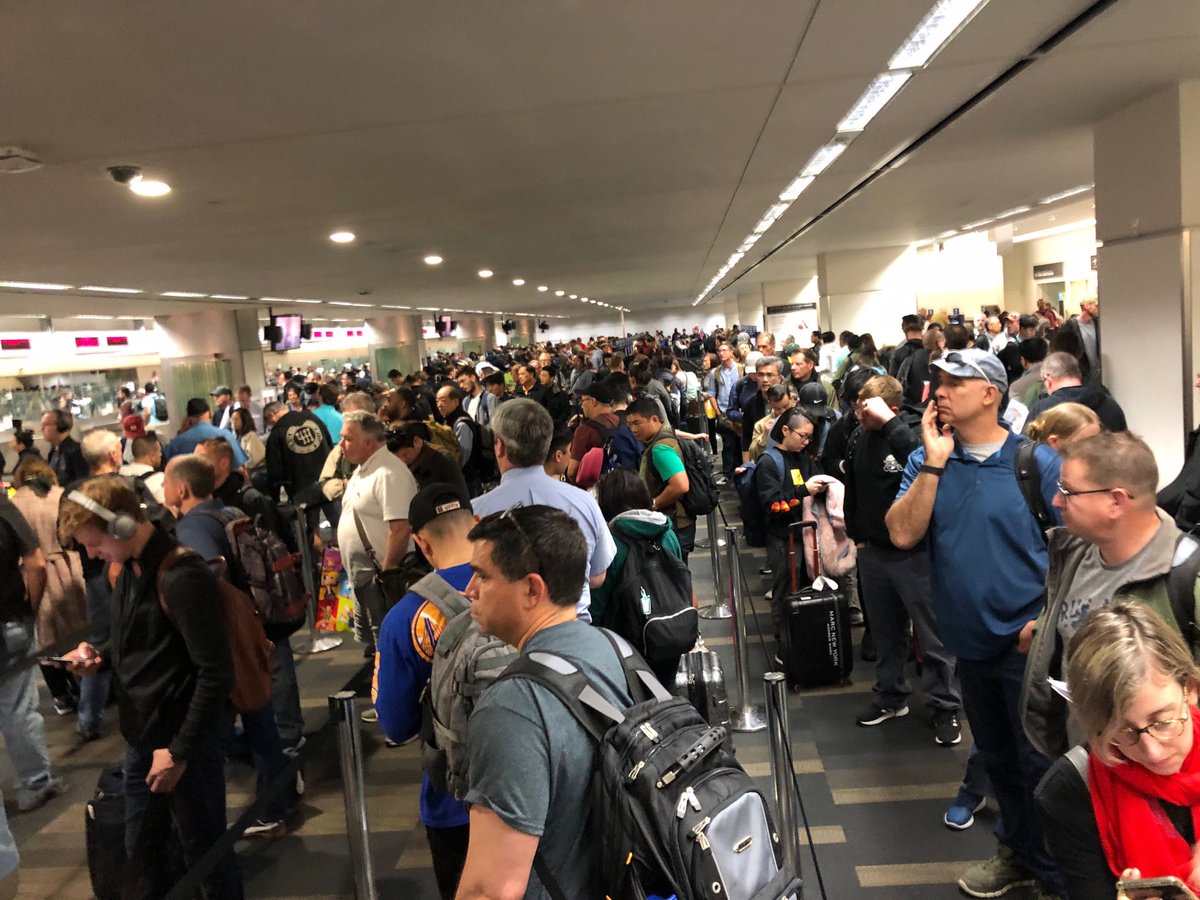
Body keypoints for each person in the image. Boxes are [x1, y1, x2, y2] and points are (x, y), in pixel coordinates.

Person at [885, 347, 1062, 898]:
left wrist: (1047, 622)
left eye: (953, 383)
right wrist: (934, 464)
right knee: (999, 761)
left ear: (990, 393)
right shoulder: (928, 461)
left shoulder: (1036, 463)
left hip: (1027, 646)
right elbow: (901, 533)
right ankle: (1018, 854)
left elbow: (1074, 550)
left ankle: (1055, 872)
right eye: (936, 381)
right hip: (968, 643)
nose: (939, 390)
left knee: (1042, 767)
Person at [60, 479, 243, 898]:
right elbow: (140, 641)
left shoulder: (181, 575)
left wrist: (178, 750)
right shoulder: (130, 570)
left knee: (206, 857)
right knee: (143, 854)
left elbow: (216, 673)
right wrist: (99, 655)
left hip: (184, 744)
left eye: (94, 544)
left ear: (123, 527)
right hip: (144, 738)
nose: (91, 554)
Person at [455, 505, 632, 900]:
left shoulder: (512, 708)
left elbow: (491, 891)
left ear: (532, 589)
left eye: (483, 575)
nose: (470, 590)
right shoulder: (616, 649)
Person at [1022, 431, 1182, 760]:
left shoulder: (1185, 576)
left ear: (1116, 500)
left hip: (1157, 775)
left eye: (1068, 491)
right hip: (1087, 761)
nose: (1056, 501)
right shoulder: (1074, 555)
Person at [161, 454, 297, 838]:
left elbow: (203, 584)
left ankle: (273, 802)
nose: (163, 490)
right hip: (252, 626)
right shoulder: (229, 511)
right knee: (259, 719)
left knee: (222, 729)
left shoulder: (192, 529)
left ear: (182, 488)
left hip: (228, 637)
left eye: (167, 483)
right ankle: (281, 792)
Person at [1037, 602, 1200, 898]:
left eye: (1162, 721)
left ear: (1190, 689)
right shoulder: (1070, 790)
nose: (1153, 752)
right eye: (1123, 732)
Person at [842, 376, 961, 745]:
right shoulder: (860, 435)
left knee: (933, 635)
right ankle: (891, 696)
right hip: (873, 551)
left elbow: (927, 465)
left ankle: (946, 706)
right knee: (886, 632)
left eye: (868, 407)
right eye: (859, 405)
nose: (860, 412)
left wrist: (891, 424)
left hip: (916, 554)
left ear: (892, 409)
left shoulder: (911, 433)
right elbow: (855, 489)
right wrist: (856, 536)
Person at [372, 483, 474, 899]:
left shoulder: (404, 617)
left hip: (454, 800)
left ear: (420, 544)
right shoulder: (530, 586)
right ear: (478, 525)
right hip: (541, 785)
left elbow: (395, 725)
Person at [471, 398, 615, 624]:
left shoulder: (475, 513)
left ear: (499, 446)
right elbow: (598, 576)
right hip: (575, 631)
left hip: (500, 643)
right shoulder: (584, 502)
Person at [0, 477, 67, 815]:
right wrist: (29, 609)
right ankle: (34, 783)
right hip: (7, 619)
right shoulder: (2, 507)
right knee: (16, 707)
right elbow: (36, 562)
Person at [10, 458, 87, 720]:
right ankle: (86, 688)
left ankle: (61, 695)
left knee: (44, 639)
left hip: (34, 572)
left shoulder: (14, 503)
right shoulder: (60, 494)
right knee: (78, 631)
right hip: (69, 566)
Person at [336, 411, 418, 645]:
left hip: (380, 580)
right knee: (376, 642)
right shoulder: (363, 470)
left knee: (389, 643)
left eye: (348, 438)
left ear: (368, 442)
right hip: (365, 579)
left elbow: (401, 527)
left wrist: (387, 572)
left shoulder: (388, 473)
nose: (342, 444)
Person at [589, 468, 686, 632]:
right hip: (671, 631)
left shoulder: (609, 544)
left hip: (625, 640)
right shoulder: (668, 533)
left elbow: (596, 608)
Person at [758, 408, 824, 627]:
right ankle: (783, 641)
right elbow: (773, 505)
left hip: (806, 535)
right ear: (785, 430)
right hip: (782, 537)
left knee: (807, 589)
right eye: (802, 436)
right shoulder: (769, 462)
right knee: (785, 590)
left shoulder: (803, 459)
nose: (806, 442)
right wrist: (803, 490)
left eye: (810, 437)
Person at [624, 397, 694, 562]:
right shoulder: (662, 438)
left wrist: (654, 504)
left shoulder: (660, 448)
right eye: (629, 424)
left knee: (676, 581)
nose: (633, 429)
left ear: (654, 419)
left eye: (637, 423)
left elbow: (681, 485)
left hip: (674, 524)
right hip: (676, 522)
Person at [263, 399, 338, 533]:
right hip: (328, 478)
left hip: (301, 484)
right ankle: (340, 552)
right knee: (340, 524)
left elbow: (275, 470)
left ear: (271, 415)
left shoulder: (276, 433)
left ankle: (318, 553)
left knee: (310, 532)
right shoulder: (312, 418)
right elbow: (329, 444)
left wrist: (275, 498)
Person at [1026, 351, 1126, 433]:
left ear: (1048, 379)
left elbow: (1026, 449)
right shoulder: (1109, 403)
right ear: (1078, 375)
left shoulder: (1041, 410)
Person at [163, 399, 250, 468]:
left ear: (188, 418)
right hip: (225, 488)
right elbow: (240, 466)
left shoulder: (178, 442)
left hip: (192, 489)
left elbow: (164, 463)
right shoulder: (226, 435)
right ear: (210, 413)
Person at [705, 341, 744, 479]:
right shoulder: (715, 373)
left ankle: (742, 469)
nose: (721, 353)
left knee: (741, 443)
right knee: (727, 445)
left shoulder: (740, 369)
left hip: (739, 412)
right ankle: (728, 473)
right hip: (724, 412)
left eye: (724, 350)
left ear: (731, 352)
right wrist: (718, 413)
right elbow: (711, 394)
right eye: (719, 351)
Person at [40, 410, 87, 487]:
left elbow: (83, 483)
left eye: (46, 424)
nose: (42, 429)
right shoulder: (53, 453)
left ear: (61, 425)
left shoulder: (76, 452)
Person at [118, 433, 167, 505]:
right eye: (159, 451)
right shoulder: (159, 479)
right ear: (152, 456)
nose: (161, 454)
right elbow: (166, 508)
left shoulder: (120, 472)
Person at [231, 407, 267, 472]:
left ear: (244, 420)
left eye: (236, 419)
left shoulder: (251, 435)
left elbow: (252, 459)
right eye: (232, 419)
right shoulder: (237, 436)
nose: (233, 422)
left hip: (253, 472)